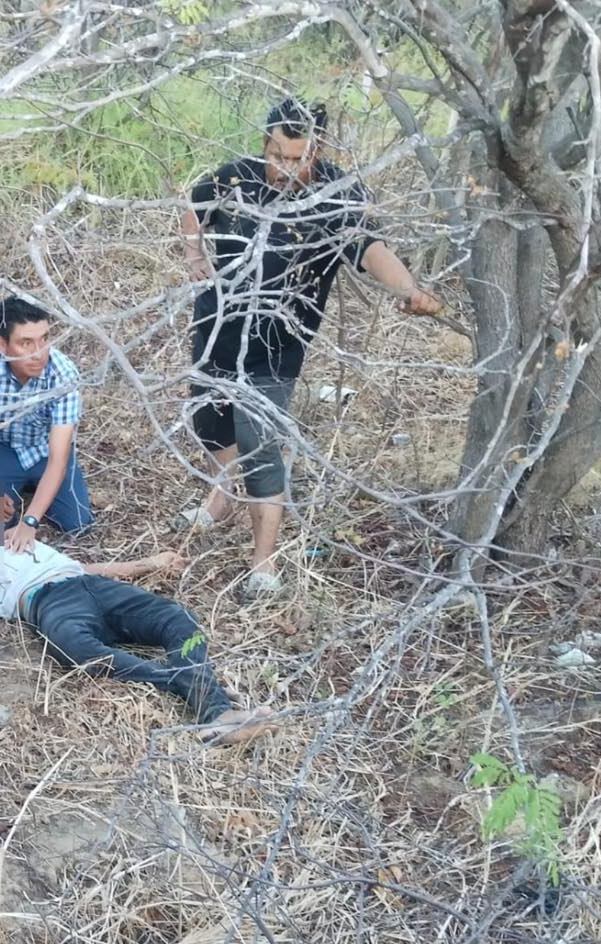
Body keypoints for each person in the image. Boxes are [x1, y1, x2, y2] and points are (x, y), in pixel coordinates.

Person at [180, 98, 443, 595]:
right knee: (209, 420)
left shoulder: (337, 195)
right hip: (216, 326)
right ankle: (220, 498)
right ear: (265, 143)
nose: (283, 168)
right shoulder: (235, 176)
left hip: (277, 345)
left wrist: (409, 289)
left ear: (318, 151)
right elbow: (194, 207)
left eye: (296, 159)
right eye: (276, 155)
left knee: (259, 444)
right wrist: (194, 255)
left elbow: (371, 250)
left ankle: (264, 564)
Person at [0, 498, 276, 744]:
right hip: (47, 603)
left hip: (88, 585)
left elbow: (88, 567)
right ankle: (191, 690)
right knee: (77, 649)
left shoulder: (16, 538)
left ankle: (215, 710)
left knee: (178, 618)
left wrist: (147, 563)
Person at [0, 297, 94, 553]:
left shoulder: (64, 374)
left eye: (44, 339)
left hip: (43, 451)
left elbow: (59, 457)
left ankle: (32, 495)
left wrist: (30, 521)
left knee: (78, 523)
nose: (39, 353)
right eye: (26, 343)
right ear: (2, 345)